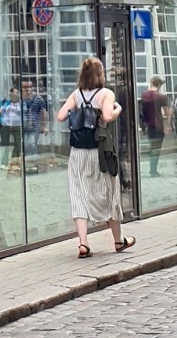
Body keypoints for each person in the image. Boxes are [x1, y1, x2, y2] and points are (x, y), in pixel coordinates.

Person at [57, 56, 134, 259]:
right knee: (110, 192)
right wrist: (118, 109)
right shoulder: (106, 94)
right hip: (99, 151)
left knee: (78, 194)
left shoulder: (76, 94)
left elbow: (60, 116)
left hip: (77, 153)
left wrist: (77, 109)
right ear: (100, 75)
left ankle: (83, 243)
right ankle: (118, 240)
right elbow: (107, 117)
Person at [139, 76, 169, 177]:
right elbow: (166, 112)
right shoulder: (161, 97)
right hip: (158, 125)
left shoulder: (144, 95)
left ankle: (152, 168)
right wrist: (168, 124)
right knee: (156, 148)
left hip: (148, 125)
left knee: (152, 146)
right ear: (159, 85)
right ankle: (153, 170)